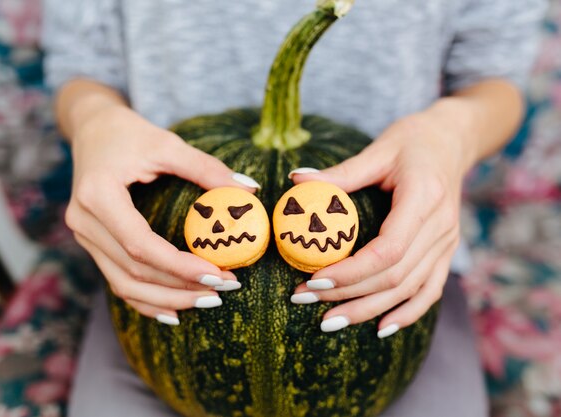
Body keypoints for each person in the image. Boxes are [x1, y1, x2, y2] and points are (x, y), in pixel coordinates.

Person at [41, 0, 546, 415]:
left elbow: (493, 77)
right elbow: (82, 66)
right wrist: (93, 120)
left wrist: (451, 135)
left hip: (399, 274)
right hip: (152, 276)